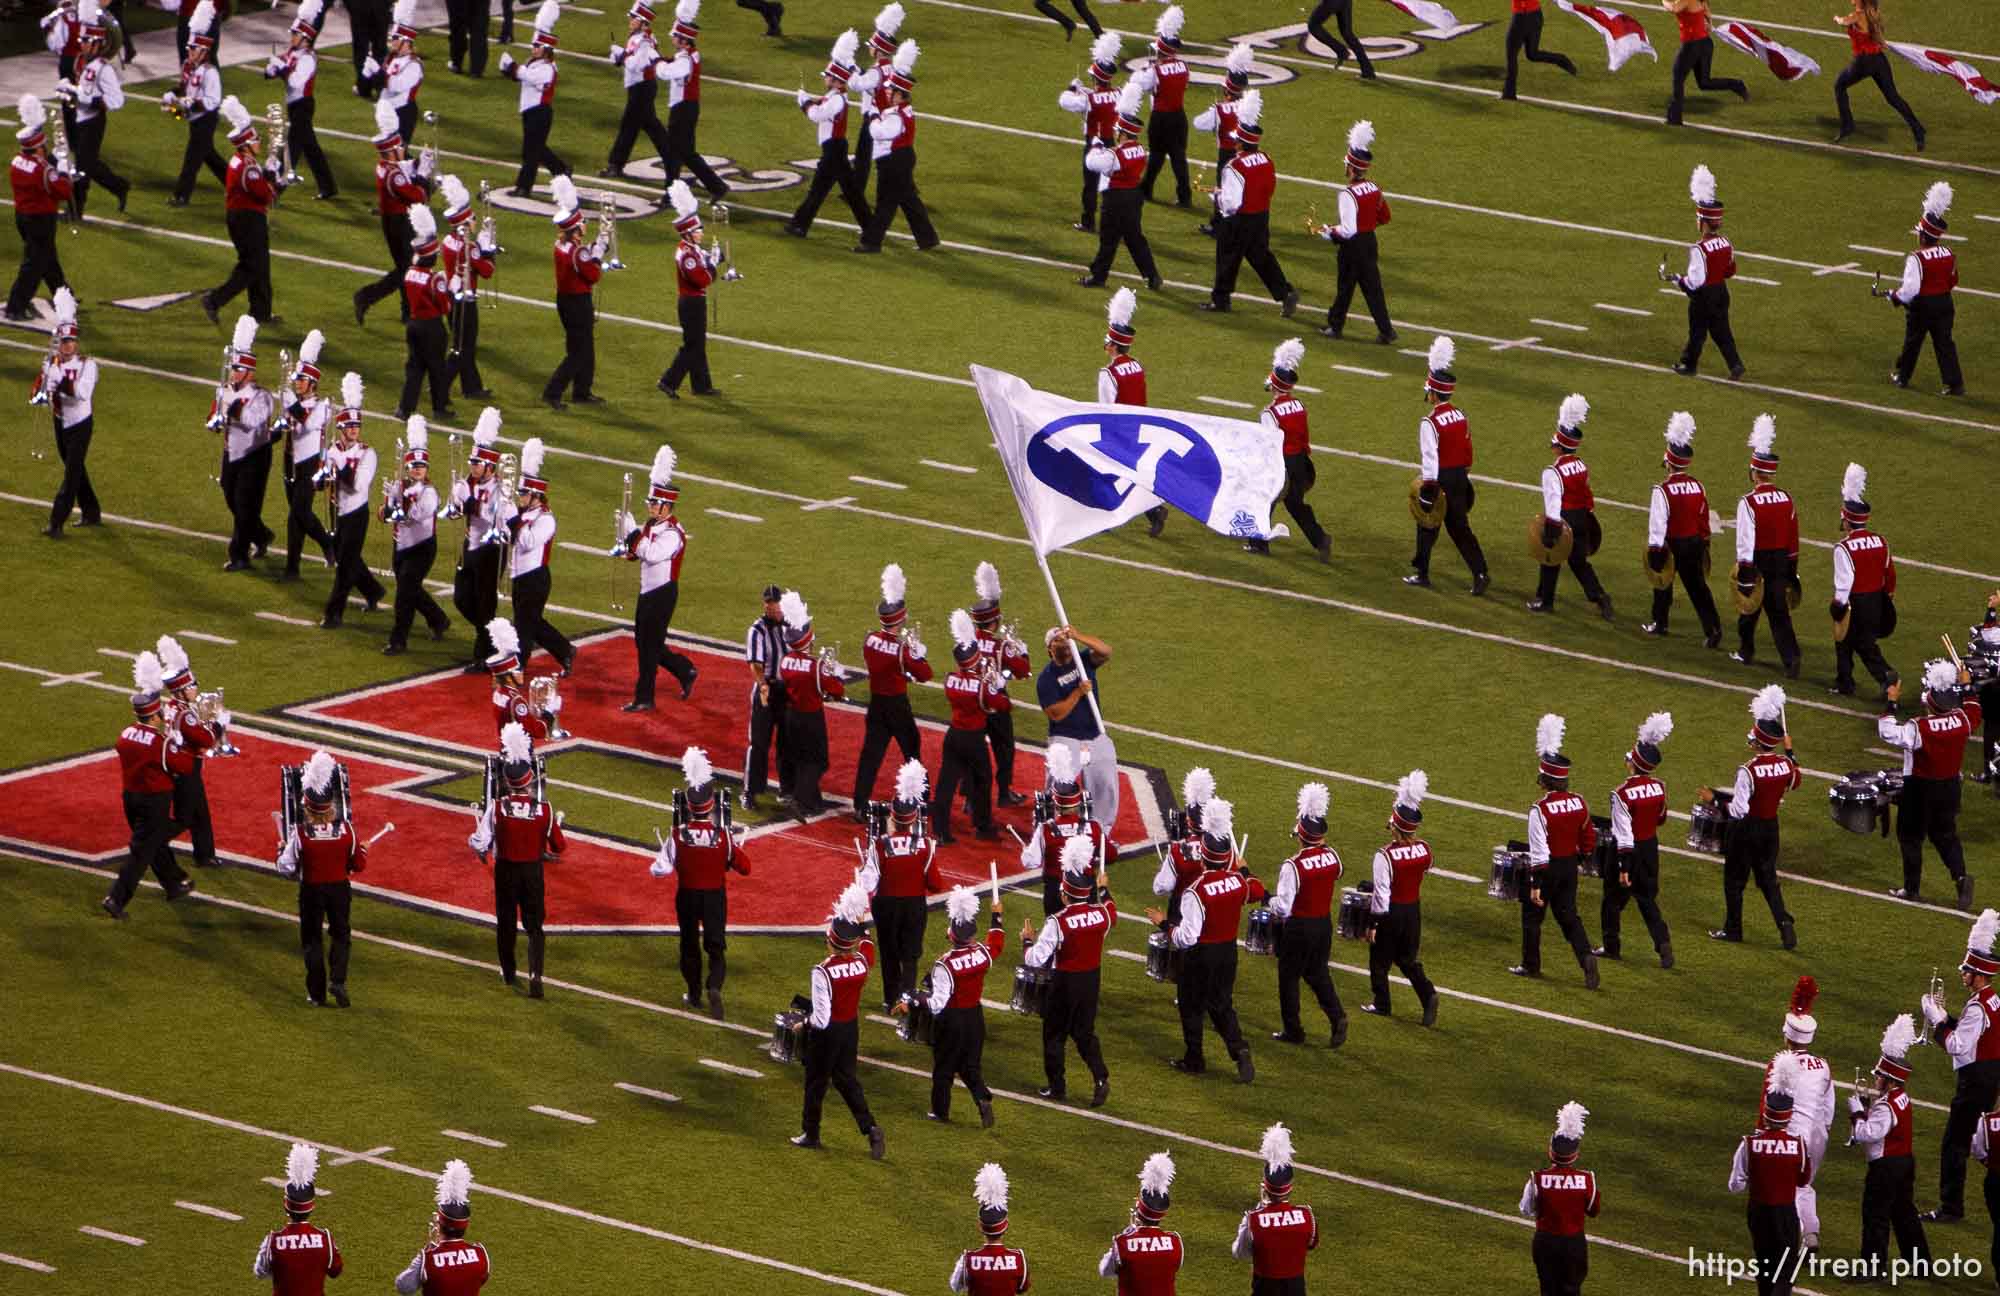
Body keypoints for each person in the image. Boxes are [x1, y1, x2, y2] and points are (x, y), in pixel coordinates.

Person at [1156, 798, 1258, 1082]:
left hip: (1201, 954)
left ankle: (1195, 1059)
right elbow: (1257, 890)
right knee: (1222, 1004)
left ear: (1203, 857)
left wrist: (1164, 924)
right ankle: (1240, 1051)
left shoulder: (1195, 891)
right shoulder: (1238, 881)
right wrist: (1245, 870)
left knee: (1190, 1005)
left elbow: (1188, 937)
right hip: (1228, 953)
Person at [649, 745, 748, 1018]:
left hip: (687, 896)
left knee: (689, 945)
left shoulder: (677, 835)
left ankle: (693, 994)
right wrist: (734, 849)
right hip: (715, 896)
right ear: (711, 806)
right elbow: (745, 868)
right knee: (716, 948)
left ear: (689, 808)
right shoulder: (723, 837)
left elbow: (660, 870)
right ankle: (713, 986)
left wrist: (663, 864)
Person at [469, 722, 564, 998]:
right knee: (535, 926)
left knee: (506, 922)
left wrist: (475, 844)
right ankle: (536, 974)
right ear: (529, 781)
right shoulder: (543, 810)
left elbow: (480, 842)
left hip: (506, 870)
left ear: (507, 782)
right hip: (533, 871)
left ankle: (509, 972)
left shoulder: (497, 808)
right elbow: (559, 846)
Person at [793, 882, 886, 1157]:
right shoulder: (861, 962)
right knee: (847, 1081)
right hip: (850, 1030)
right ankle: (870, 1128)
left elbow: (821, 1019)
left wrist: (804, 1024)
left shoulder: (822, 971)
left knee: (816, 1084)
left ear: (830, 940)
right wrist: (862, 924)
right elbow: (868, 947)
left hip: (828, 1034)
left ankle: (811, 1133)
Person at [102, 652, 197, 919]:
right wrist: (182, 742)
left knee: (152, 842)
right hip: (153, 800)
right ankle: (116, 898)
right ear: (154, 715)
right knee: (141, 852)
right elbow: (184, 766)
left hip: (130, 797)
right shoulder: (160, 742)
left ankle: (174, 883)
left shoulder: (125, 735)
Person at [1705, 686, 1800, 949]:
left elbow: (1739, 810)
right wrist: (1791, 753)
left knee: (1734, 881)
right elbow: (1795, 782)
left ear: (1758, 742)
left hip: (1746, 830)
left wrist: (1715, 801)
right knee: (1768, 879)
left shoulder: (1748, 770)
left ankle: (1733, 929)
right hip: (1771, 828)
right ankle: (1784, 924)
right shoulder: (1785, 764)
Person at [1881, 660, 1981, 908]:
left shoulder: (1919, 727)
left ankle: (1911, 889)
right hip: (1950, 788)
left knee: (1910, 837)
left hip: (1920, 789)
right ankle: (1961, 878)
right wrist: (1967, 686)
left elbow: (1887, 731)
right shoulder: (1962, 720)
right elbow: (1974, 710)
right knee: (1946, 835)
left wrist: (1892, 700)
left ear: (1930, 703)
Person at [1024, 837, 1115, 1107]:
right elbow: (1111, 909)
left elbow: (1035, 959)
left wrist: (1027, 940)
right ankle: (1100, 1078)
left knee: (1054, 1034)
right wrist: (1105, 889)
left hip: (1064, 982)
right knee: (1084, 1033)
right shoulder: (1101, 914)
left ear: (1063, 894)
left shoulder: (1057, 921)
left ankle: (1057, 1087)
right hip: (1091, 981)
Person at [1922, 911, 2000, 1225]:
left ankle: (1951, 1207)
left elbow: (1957, 1045)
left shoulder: (1979, 1005)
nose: (1962, 973)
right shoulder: (1992, 999)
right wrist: (1949, 1019)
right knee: (1970, 1137)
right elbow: (1976, 1033)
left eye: (1967, 969)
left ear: (1978, 974)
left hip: (1976, 1080)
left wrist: (1938, 1021)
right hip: (1990, 1074)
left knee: (1955, 1142)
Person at [1513, 715, 1601, 989]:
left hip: (1547, 868)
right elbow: (1589, 836)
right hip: (1568, 866)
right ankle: (1586, 956)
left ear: (1545, 781)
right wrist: (1581, 858)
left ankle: (1531, 965)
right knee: (1569, 916)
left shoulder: (1539, 809)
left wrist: (1536, 883)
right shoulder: (1579, 802)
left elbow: (1539, 850)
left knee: (1532, 916)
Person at [908, 886, 1006, 1126]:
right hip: (975, 1017)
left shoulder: (944, 964)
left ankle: (940, 1112)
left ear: (952, 935)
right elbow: (996, 943)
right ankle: (982, 1099)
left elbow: (937, 1004)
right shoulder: (983, 953)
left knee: (944, 1068)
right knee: (970, 1066)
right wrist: (996, 916)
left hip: (952, 1020)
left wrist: (916, 999)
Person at [276, 750, 365, 1006]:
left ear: (307, 808)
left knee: (312, 939)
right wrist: (361, 852)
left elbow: (285, 868)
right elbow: (358, 864)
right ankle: (338, 981)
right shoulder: (347, 831)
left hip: (312, 890)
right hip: (339, 889)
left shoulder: (301, 834)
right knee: (341, 935)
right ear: (331, 806)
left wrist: (280, 849)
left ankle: (316, 994)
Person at [1404, 335, 1489, 595]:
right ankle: (1480, 572)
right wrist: (1462, 476)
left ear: (1433, 392)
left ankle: (1422, 573)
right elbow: (1468, 448)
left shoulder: (1430, 422)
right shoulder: (1460, 414)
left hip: (1439, 479)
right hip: (1460, 477)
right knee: (1460, 529)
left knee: (1426, 524)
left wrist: (1429, 489)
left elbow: (1430, 458)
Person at [1202, 91, 1298, 317]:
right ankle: (1284, 292)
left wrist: (1217, 196)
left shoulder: (1234, 166)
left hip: (1239, 220)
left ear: (1241, 142)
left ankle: (1221, 300)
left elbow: (1232, 203)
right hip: (1261, 216)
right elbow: (1270, 187)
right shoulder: (1266, 158)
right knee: (1261, 258)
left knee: (1227, 258)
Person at [619, 445, 698, 710]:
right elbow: (636, 553)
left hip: (662, 594)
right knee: (645, 642)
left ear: (667, 505)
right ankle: (684, 670)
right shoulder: (652, 526)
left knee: (649, 646)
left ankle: (645, 698)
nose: (650, 506)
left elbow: (651, 554)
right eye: (650, 502)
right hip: (648, 591)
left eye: (654, 503)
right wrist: (624, 536)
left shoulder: (673, 533)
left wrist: (632, 535)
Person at [1268, 782, 1347, 1048]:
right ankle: (1337, 1016)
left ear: (1301, 837)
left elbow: (1284, 907)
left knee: (1288, 977)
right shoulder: (1333, 856)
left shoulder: (1293, 865)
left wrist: (1267, 899)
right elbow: (1337, 873)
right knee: (1317, 972)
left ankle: (1294, 1030)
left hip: (1299, 927)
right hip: (1323, 925)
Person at [1595, 714, 1675, 969]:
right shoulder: (1659, 786)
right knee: (1647, 900)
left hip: (1626, 851)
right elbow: (1661, 818)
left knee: (1611, 900)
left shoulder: (1621, 794)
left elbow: (1624, 834)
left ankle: (1611, 947)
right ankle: (1663, 946)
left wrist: (1624, 867)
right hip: (1650, 847)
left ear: (1634, 764)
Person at [862, 759, 943, 1008]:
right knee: (910, 955)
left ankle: (890, 999)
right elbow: (936, 885)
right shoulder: (926, 845)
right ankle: (907, 1001)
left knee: (889, 953)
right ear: (914, 818)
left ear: (892, 817)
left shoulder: (879, 844)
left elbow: (869, 882)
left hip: (885, 905)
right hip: (914, 906)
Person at [1729, 1053, 1812, 1296]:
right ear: (1788, 1118)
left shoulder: (1748, 1144)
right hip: (1785, 1213)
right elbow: (1803, 1180)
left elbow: (1735, 1184)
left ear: (1766, 1114)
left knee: (1764, 1268)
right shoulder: (1799, 1145)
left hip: (1758, 1212)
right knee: (1785, 1272)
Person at [1854, 1015, 1930, 1280]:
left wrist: (1857, 1114)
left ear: (1890, 1080)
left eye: (1880, 1077)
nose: (1876, 1081)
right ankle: (1921, 1263)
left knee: (1876, 1216)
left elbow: (1869, 1133)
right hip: (1904, 1162)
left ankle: (1873, 1268)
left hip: (1885, 1167)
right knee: (1904, 1212)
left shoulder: (1886, 1105)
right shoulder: (1901, 1098)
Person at [853, 565, 932, 812]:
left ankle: (859, 804)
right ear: (900, 619)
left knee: (871, 757)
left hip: (876, 704)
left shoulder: (869, 640)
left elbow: (881, 663)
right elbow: (925, 675)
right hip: (897, 705)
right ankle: (922, 797)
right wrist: (917, 655)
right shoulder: (901, 650)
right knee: (912, 750)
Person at [1363, 770, 1438, 1024]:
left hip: (1391, 913)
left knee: (1379, 961)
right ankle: (1427, 993)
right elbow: (1426, 866)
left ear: (1395, 827)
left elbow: (1382, 894)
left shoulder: (1384, 855)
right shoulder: (1424, 849)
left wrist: (1373, 923)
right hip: (1413, 911)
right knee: (1407, 959)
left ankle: (1382, 1003)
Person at [1640, 412, 1722, 645]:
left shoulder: (1662, 490)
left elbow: (1658, 523)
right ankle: (1713, 629)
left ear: (1668, 462)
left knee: (1662, 583)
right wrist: (1704, 542)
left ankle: (1660, 623)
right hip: (1694, 542)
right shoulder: (1698, 485)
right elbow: (1703, 518)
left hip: (1672, 543)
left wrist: (1656, 549)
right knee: (1698, 588)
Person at [1767, 978, 1836, 1253]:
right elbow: (1828, 1107)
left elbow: (1769, 1106)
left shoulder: (1779, 1064)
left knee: (1786, 1190)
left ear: (1787, 1036)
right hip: (1817, 1135)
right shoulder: (1823, 1066)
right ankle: (1811, 1232)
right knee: (1804, 1185)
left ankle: (1792, 1242)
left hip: (1789, 1136)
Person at [1311, 121, 1395, 344]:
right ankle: (1386, 330)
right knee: (1372, 288)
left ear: (1351, 167)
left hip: (1353, 246)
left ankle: (1335, 326)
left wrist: (1330, 232)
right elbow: (1385, 217)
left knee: (1345, 287)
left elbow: (1348, 230)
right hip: (1369, 243)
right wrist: (1366, 226)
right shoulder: (1375, 188)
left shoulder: (1347, 195)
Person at [1527, 394, 1611, 619]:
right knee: (1578, 562)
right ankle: (1600, 597)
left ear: (1559, 447)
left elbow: (1554, 503)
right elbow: (1587, 495)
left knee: (1550, 557)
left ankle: (1545, 600)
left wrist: (1552, 529)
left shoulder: (1552, 472)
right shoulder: (1581, 466)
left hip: (1563, 519)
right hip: (1582, 517)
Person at [352, 100, 435, 326]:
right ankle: (366, 296)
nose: (402, 150)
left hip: (396, 222)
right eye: (399, 148)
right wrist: (424, 174)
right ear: (390, 151)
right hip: (397, 224)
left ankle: (408, 312)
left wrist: (422, 160)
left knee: (407, 267)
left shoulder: (389, 166)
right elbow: (417, 195)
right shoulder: (392, 174)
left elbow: (409, 166)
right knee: (406, 270)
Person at [1094, 291, 1168, 539]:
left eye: (1108, 341)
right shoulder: (1137, 364)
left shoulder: (1109, 373)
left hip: (1119, 429)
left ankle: (1110, 514)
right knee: (1129, 472)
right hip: (1140, 426)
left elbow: (1106, 408)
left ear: (1113, 344)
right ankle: (1154, 511)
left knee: (1107, 469)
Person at [1730, 416, 1800, 677]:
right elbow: (1794, 538)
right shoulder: (1786, 498)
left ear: (1754, 472)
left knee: (1749, 609)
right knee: (1779, 613)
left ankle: (1746, 651)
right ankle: (1792, 659)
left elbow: (1745, 541)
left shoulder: (1749, 502)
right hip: (1781, 560)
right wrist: (1792, 569)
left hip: (1758, 561)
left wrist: (1745, 575)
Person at [853, 40, 938, 254]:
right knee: (908, 199)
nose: (888, 93)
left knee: (886, 203)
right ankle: (927, 239)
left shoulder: (896, 116)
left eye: (892, 91)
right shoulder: (902, 110)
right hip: (900, 158)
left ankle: (871, 242)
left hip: (895, 161)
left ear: (901, 94)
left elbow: (879, 133)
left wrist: (873, 115)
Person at [1076, 84, 1163, 291]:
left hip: (1115, 199)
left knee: (1108, 239)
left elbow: (1092, 163)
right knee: (1135, 239)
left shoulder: (1116, 154)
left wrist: (1096, 146)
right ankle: (1152, 276)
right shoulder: (1140, 150)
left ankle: (1098, 276)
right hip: (1134, 197)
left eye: (1118, 131)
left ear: (1123, 133)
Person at [202, 97, 281, 325]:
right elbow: (265, 195)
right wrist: (275, 180)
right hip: (247, 219)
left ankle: (261, 313)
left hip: (244, 217)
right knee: (251, 267)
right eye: (255, 140)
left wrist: (268, 172)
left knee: (260, 265)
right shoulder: (247, 167)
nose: (259, 143)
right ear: (246, 143)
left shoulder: (243, 161)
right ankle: (214, 300)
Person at [1248, 339, 1328, 561]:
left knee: (1264, 499)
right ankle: (1320, 539)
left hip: (1281, 462)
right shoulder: (1299, 405)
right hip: (1301, 462)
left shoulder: (1269, 413)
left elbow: (1269, 444)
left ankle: (1258, 542)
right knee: (1294, 503)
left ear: (1274, 385)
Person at [787, 30, 872, 237]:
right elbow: (822, 105)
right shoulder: (833, 97)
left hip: (833, 149)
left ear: (836, 80)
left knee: (819, 191)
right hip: (835, 148)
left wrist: (804, 102)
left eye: (829, 77)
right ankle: (871, 228)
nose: (825, 80)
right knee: (849, 193)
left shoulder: (836, 99)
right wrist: (810, 100)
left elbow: (817, 115)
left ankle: (799, 225)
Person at [1667, 165, 1745, 380]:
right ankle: (1735, 364)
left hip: (1704, 297)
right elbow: (1731, 270)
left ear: (1702, 222)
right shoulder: (1726, 241)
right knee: (1722, 332)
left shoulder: (1698, 249)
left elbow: (1695, 282)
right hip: (1722, 292)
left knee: (1697, 333)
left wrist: (1677, 280)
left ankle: (1688, 365)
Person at [935, 609, 1006, 845]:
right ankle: (982, 825)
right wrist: (996, 684)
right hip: (974, 738)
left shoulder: (950, 680)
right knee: (983, 780)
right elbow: (1002, 705)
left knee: (946, 782)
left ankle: (940, 830)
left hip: (953, 734)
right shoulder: (982, 686)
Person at [210, 316, 276, 572]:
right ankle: (260, 535)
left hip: (255, 454)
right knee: (231, 498)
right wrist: (215, 420)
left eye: (239, 370)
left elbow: (251, 420)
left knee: (244, 503)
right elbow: (216, 414)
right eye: (233, 369)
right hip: (231, 452)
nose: (234, 373)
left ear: (250, 372)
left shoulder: (262, 396)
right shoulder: (225, 390)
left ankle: (239, 555)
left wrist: (231, 410)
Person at [1886, 182, 1963, 395]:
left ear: (1922, 236)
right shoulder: (1948, 253)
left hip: (1923, 306)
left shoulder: (1916, 258)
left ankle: (1902, 377)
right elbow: (1953, 280)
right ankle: (1955, 384)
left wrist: (1895, 297)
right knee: (1945, 344)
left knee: (1913, 342)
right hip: (1945, 303)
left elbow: (1911, 289)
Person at [381, 419, 450, 654]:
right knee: (409, 588)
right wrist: (389, 502)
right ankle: (438, 619)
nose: (418, 469)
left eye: (422, 465)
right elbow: (384, 515)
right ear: (407, 467)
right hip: (400, 545)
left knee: (404, 593)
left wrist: (397, 504)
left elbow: (412, 516)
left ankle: (398, 639)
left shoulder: (430, 494)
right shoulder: (399, 487)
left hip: (422, 548)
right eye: (413, 465)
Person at [34, 290, 99, 538]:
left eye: (71, 341)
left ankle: (56, 521)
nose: (68, 345)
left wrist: (59, 381)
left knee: (71, 474)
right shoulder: (52, 363)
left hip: (80, 423)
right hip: (59, 421)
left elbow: (81, 393)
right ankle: (92, 511)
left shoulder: (87, 365)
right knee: (75, 468)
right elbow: (40, 389)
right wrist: (42, 388)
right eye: (64, 342)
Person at [1829, 463, 1897, 700]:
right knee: (1848, 643)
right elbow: (1890, 574)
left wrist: (1838, 606)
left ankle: (1887, 677)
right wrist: (1886, 599)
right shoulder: (1881, 540)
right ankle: (1844, 681)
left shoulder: (1844, 547)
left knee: (1859, 644)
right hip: (1877, 600)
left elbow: (1844, 583)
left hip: (1855, 602)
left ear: (1847, 521)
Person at [507, 437, 575, 673]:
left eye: (524, 493)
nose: (520, 496)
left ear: (536, 495)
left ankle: (518, 667)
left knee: (524, 626)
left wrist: (514, 521)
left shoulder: (545, 518)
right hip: (519, 575)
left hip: (535, 577)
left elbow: (528, 542)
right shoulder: (523, 512)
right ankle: (564, 650)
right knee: (532, 621)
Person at [1037, 626, 1118, 825]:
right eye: (1057, 640)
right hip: (1066, 739)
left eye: (1065, 638)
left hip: (1095, 734)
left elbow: (1106, 651)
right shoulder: (1046, 678)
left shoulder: (1082, 661)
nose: (1063, 641)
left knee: (1105, 786)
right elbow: (1056, 714)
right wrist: (1078, 692)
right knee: (1058, 787)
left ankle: (1101, 834)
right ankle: (1048, 830)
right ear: (1050, 649)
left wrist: (1078, 635)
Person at [318, 389, 384, 628]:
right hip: (336, 511)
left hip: (357, 513)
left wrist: (335, 469)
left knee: (345, 566)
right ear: (341, 428)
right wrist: (320, 478)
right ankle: (373, 590)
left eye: (357, 425)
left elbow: (358, 485)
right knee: (349, 559)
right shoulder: (331, 450)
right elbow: (320, 482)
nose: (355, 429)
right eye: (350, 425)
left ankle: (333, 613)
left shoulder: (368, 453)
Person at [1519, 1102, 1598, 1296]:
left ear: (1550, 1152)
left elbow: (1526, 1209)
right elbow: (1593, 1210)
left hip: (1545, 1241)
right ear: (1575, 1155)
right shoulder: (1587, 1179)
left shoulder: (1536, 1178)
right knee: (1572, 1289)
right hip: (1574, 1243)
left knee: (1547, 1289)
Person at [449, 409, 507, 670]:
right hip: (469, 546)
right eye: (472, 463)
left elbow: (497, 517)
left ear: (490, 466)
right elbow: (455, 506)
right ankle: (492, 639)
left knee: (485, 604)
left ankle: (483, 655)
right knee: (461, 598)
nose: (473, 467)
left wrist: (474, 506)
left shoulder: (500, 488)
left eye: (477, 464)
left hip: (490, 550)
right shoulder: (467, 483)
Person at [156, 635, 220, 870]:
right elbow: (206, 739)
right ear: (181, 691)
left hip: (180, 766)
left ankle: (205, 855)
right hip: (185, 769)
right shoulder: (185, 714)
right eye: (191, 686)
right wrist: (217, 723)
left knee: (200, 812)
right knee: (184, 817)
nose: (195, 689)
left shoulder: (172, 707)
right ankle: (151, 843)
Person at [969, 565, 1031, 810]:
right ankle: (1004, 792)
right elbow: (1023, 671)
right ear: (994, 622)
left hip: (972, 699)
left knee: (973, 747)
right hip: (995, 703)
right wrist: (1020, 650)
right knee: (1003, 748)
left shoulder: (966, 644)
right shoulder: (1000, 647)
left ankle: (969, 795)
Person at [542, 176, 606, 411]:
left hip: (567, 300)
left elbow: (582, 260)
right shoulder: (577, 252)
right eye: (582, 224)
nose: (585, 226)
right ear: (576, 228)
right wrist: (599, 251)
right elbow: (593, 274)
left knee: (584, 347)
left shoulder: (563, 246)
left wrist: (593, 250)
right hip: (577, 302)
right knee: (578, 352)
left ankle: (582, 391)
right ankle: (553, 391)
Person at [275, 331, 337, 579]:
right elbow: (285, 426)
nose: (296, 383)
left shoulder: (323, 407)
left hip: (310, 464)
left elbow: (309, 425)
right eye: (296, 379)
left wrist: (291, 406)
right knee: (296, 514)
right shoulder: (294, 403)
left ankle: (324, 546)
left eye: (301, 380)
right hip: (289, 460)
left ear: (312, 383)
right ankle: (294, 566)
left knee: (299, 513)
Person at [1021, 745, 1109, 916]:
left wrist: (1027, 849)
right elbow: (1111, 855)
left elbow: (1030, 862)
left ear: (1055, 803)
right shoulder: (1094, 827)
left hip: (1055, 893)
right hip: (1086, 890)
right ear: (1079, 802)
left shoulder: (1045, 829)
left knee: (1055, 935)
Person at [777, 590, 844, 816]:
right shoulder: (815, 666)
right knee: (818, 761)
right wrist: (834, 673)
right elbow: (835, 688)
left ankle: (813, 801)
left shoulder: (785, 661)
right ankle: (800, 799)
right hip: (811, 717)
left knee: (802, 758)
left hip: (792, 715)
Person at [262, 0, 337, 200]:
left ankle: (277, 187)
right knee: (311, 148)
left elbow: (295, 81)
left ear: (305, 38)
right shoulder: (293, 54)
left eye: (295, 35)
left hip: (303, 105)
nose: (292, 37)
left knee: (292, 147)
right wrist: (271, 70)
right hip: (294, 105)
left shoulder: (308, 59)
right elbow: (280, 71)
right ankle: (328, 186)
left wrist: (282, 68)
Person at [6, 98, 71, 324]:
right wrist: (62, 171)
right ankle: (15, 306)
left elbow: (38, 168)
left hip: (23, 217)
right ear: (39, 147)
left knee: (47, 258)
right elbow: (63, 191)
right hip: (40, 219)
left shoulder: (17, 161)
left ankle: (64, 296)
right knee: (34, 264)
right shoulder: (43, 169)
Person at [59, 12, 130, 218]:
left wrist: (92, 102)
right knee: (88, 164)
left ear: (97, 43)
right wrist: (70, 90)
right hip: (80, 119)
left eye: (85, 41)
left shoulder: (103, 69)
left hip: (93, 122)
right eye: (81, 41)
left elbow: (117, 99)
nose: (81, 45)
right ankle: (119, 186)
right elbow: (85, 92)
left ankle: (75, 210)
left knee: (82, 168)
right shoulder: (84, 63)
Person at [658, 180, 723, 398]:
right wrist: (713, 265)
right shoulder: (687, 255)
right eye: (697, 231)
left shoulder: (692, 250)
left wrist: (715, 257)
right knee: (692, 345)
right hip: (691, 302)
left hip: (693, 301)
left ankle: (701, 385)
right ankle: (668, 381)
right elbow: (702, 279)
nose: (701, 233)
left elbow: (707, 260)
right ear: (687, 234)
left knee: (698, 343)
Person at [1234, 1124, 1317, 1292]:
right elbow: (1311, 1243)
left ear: (1264, 1188)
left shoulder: (1253, 1220)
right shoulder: (1307, 1216)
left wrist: (1261, 1208)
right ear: (1290, 1187)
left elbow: (1240, 1252)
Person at [498, 3, 570, 197]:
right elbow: (521, 76)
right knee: (536, 149)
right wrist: (508, 70)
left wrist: (511, 65)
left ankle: (524, 187)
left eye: (537, 46)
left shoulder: (548, 68)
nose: (534, 48)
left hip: (540, 113)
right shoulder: (535, 63)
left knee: (530, 152)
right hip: (530, 112)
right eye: (534, 45)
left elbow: (528, 77)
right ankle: (561, 169)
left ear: (546, 48)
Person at [436, 176, 496, 401]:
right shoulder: (468, 247)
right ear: (463, 224)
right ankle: (439, 386)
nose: (474, 221)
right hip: (464, 301)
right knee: (462, 347)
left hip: (453, 297)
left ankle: (471, 387)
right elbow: (487, 270)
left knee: (465, 345)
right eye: (471, 219)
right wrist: (486, 248)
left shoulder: (449, 241)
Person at [659, 0, 728, 199]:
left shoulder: (684, 60)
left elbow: (665, 73)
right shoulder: (690, 55)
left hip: (682, 109)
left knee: (674, 153)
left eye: (676, 37)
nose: (673, 40)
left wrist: (656, 62)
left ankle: (671, 194)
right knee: (686, 153)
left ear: (684, 41)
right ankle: (716, 186)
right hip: (688, 107)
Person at [254, 1144, 344, 1294]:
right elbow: (336, 1270)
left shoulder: (272, 1241)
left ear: (286, 1206)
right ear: (311, 1206)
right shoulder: (325, 1239)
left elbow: (260, 1272)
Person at [1833, 0, 1923, 148]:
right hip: (1879, 60)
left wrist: (1837, 18)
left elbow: (1843, 22)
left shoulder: (1858, 15)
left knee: (1839, 85)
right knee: (1893, 97)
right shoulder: (1871, 14)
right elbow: (1877, 38)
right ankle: (1918, 130)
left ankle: (1847, 126)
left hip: (1863, 63)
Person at [164, 3, 227, 207]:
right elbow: (183, 88)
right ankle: (235, 183)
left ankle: (181, 195)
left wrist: (189, 103)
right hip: (193, 117)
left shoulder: (210, 72)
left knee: (192, 159)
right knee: (208, 155)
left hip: (206, 119)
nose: (189, 52)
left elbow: (212, 101)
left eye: (193, 49)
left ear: (204, 51)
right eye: (189, 48)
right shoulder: (188, 67)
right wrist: (172, 95)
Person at [394, 1161, 489, 1294]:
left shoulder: (428, 1258)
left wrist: (422, 1256)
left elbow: (403, 1287)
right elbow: (480, 1279)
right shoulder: (480, 1254)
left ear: (439, 1226)